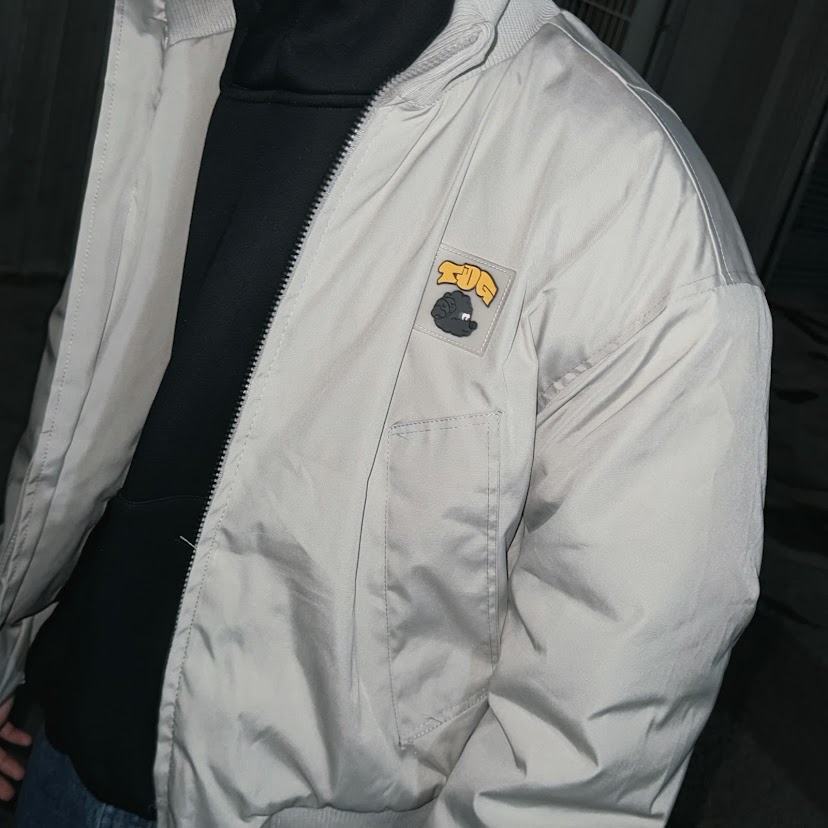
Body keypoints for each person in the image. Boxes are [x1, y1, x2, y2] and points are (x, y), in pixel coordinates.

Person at [0, 0, 772, 825]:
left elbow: (581, 755)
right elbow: (73, 429)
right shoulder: (185, 40)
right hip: (59, 752)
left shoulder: (634, 205)